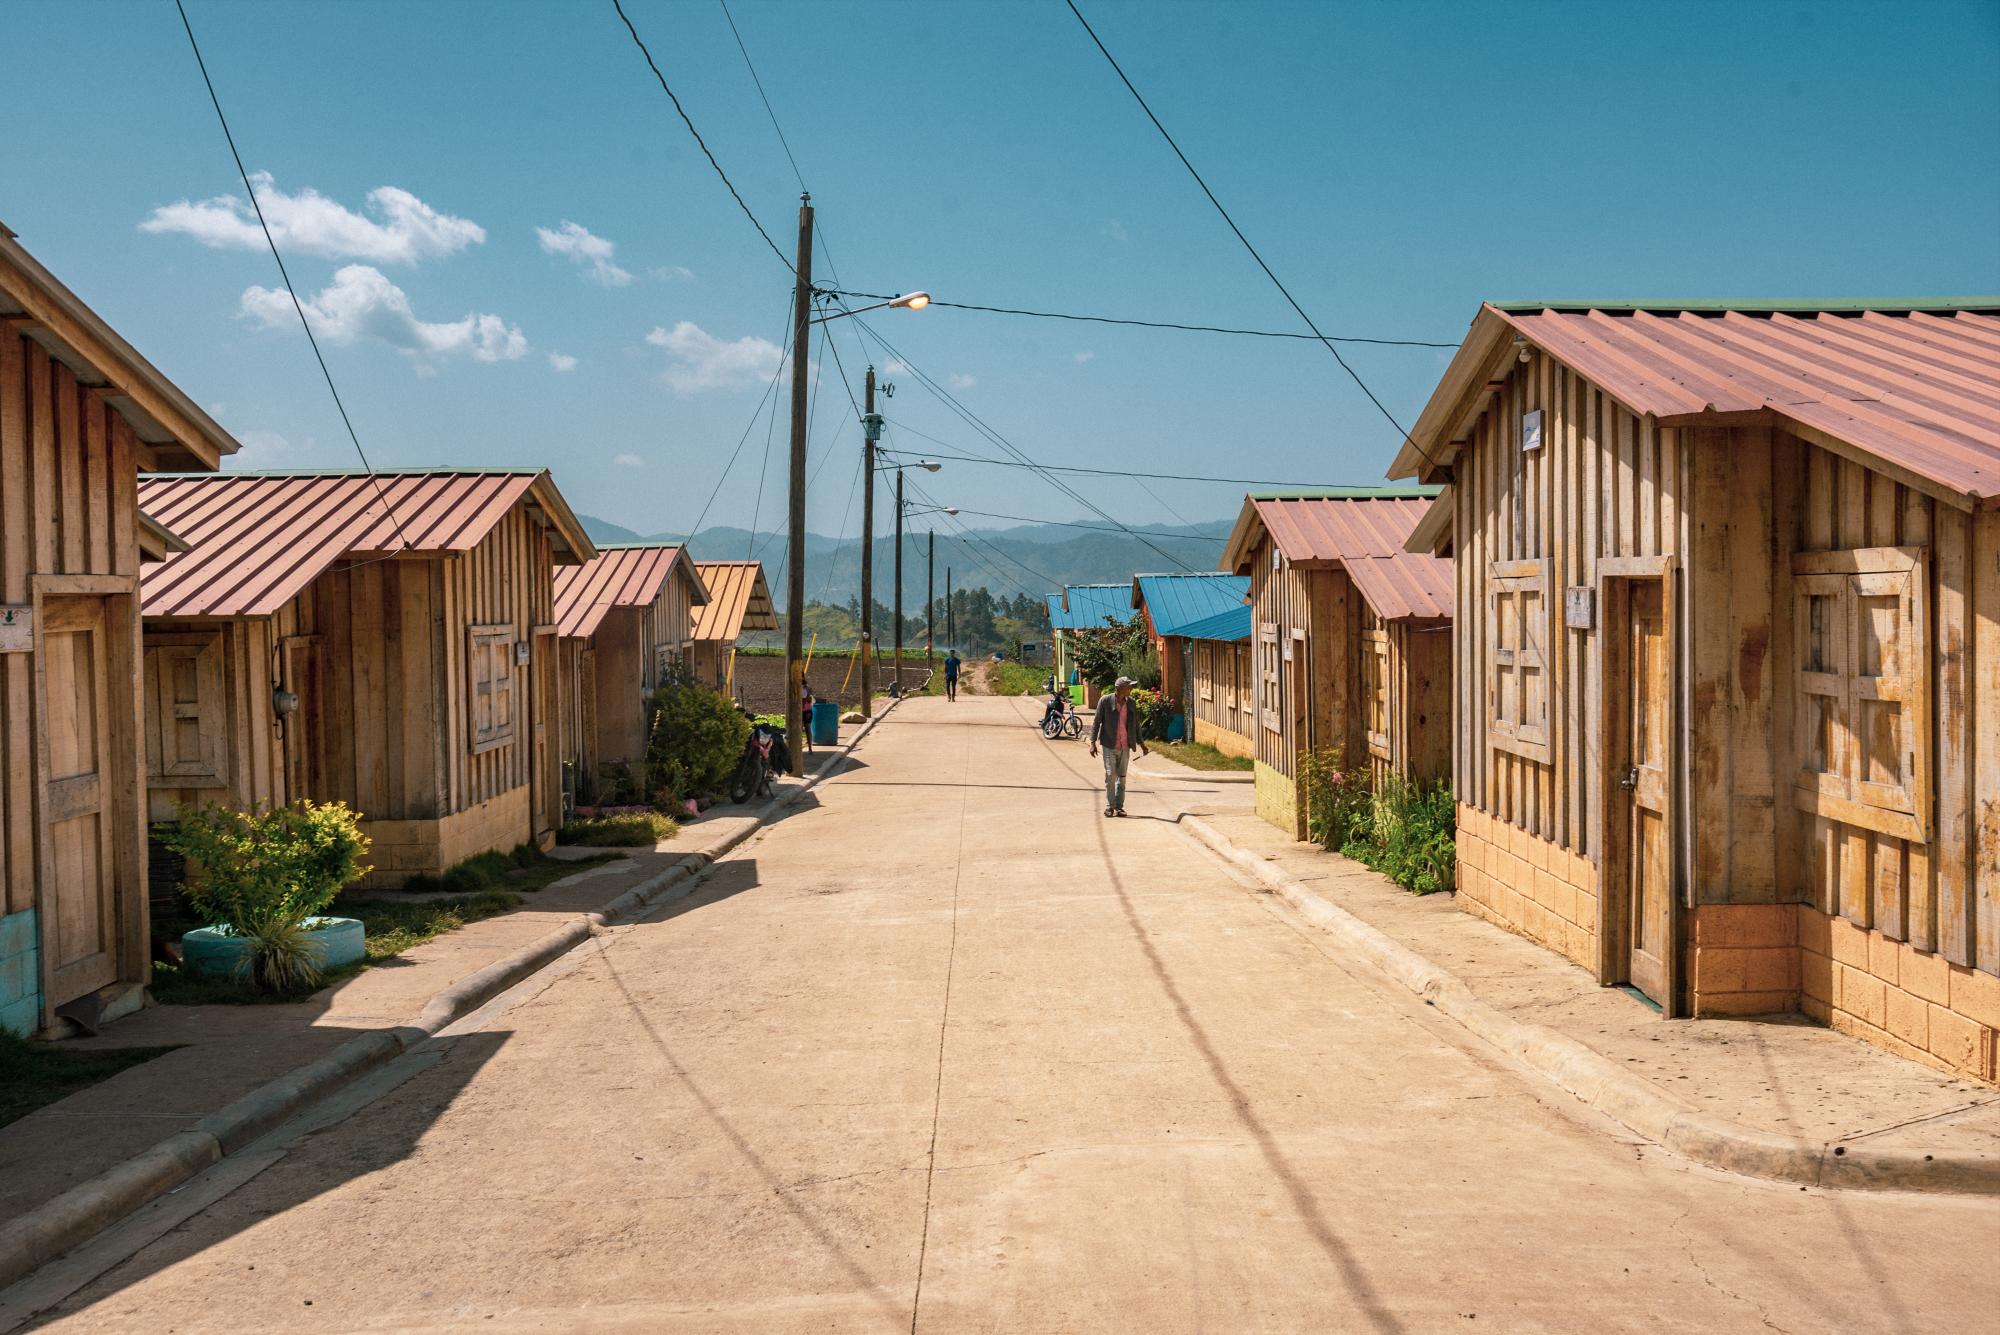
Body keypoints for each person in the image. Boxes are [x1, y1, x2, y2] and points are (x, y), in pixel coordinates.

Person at [1088, 675, 1149, 817]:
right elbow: (1097, 722)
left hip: (1125, 746)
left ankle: (1119, 807)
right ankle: (1110, 806)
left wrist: (1142, 745)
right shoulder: (1105, 701)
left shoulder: (1131, 703)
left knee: (1121, 777)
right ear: (1119, 688)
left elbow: (1135, 726)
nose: (1131, 688)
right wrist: (1092, 743)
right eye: (1128, 686)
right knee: (1110, 775)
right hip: (1109, 744)